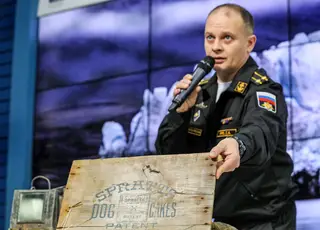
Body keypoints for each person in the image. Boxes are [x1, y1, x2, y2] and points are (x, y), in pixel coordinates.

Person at [155, 3, 298, 230]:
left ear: (249, 43)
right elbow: (167, 155)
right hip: (211, 221)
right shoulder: (198, 91)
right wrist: (179, 115)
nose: (216, 47)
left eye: (227, 38)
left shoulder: (263, 90)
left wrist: (238, 144)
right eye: (210, 38)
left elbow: (261, 130)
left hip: (261, 222)